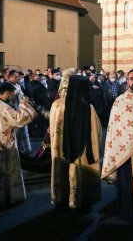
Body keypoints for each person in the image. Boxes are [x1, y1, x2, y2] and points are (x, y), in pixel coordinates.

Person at [102, 69, 133, 224]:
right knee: (127, 185)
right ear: (127, 81)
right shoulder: (120, 101)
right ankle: (128, 213)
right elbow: (115, 127)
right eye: (131, 79)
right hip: (126, 152)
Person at [49, 75, 102, 212]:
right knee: (79, 174)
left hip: (60, 148)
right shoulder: (88, 107)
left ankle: (61, 197)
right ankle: (78, 200)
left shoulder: (56, 105)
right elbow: (97, 131)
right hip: (83, 150)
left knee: (62, 171)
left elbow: (52, 126)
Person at [0, 82, 37, 206]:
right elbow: (19, 120)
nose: (13, 97)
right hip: (4, 144)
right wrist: (24, 106)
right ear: (7, 93)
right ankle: (7, 198)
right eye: (12, 94)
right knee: (5, 171)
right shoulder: (3, 107)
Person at [7, 70, 32, 155]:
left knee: (23, 131)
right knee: (15, 133)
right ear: (10, 77)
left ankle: (26, 150)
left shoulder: (18, 85)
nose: (18, 78)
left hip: (21, 111)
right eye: (15, 77)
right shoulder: (7, 86)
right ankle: (16, 150)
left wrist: (25, 98)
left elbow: (22, 95)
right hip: (12, 112)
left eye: (18, 77)